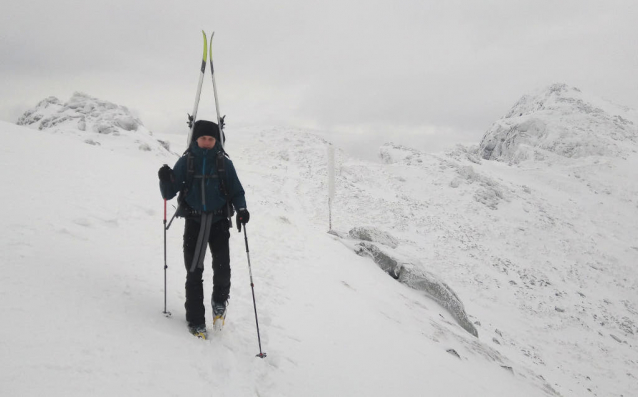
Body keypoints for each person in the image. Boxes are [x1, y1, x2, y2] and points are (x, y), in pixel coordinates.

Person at [157, 120, 249, 338]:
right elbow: (168, 194)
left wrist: (242, 209)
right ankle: (196, 321)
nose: (207, 142)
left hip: (218, 222)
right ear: (195, 139)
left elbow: (237, 191)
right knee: (193, 272)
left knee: (222, 268)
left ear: (216, 140)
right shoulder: (186, 161)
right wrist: (164, 180)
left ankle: (219, 304)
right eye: (203, 138)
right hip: (194, 222)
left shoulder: (224, 163)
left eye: (211, 138)